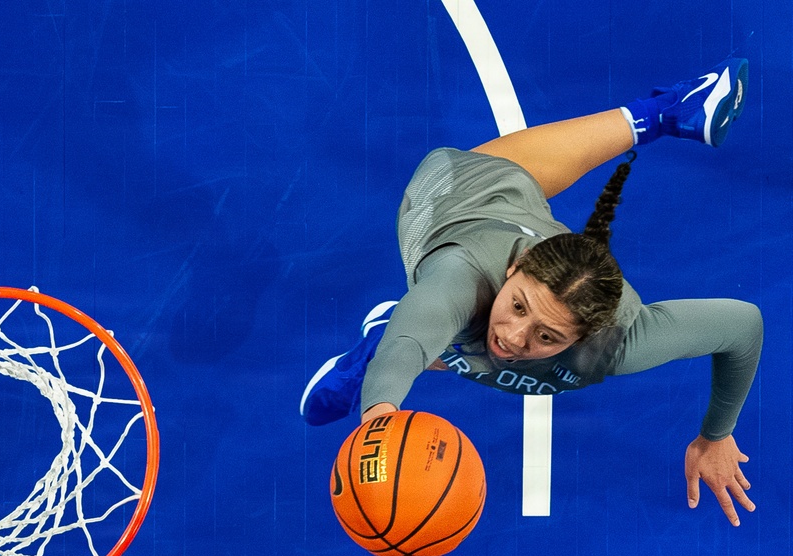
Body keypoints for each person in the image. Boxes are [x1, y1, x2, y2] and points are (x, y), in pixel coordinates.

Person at [300, 58, 762, 527]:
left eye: (547, 336)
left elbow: (743, 326)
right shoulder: (459, 278)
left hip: (516, 245)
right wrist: (379, 430)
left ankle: (671, 111)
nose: (515, 336)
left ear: (586, 336)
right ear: (516, 266)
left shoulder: (621, 341)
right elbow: (408, 346)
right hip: (455, 200)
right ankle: (662, 113)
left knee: (461, 335)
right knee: (498, 188)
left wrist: (716, 435)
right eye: (519, 306)